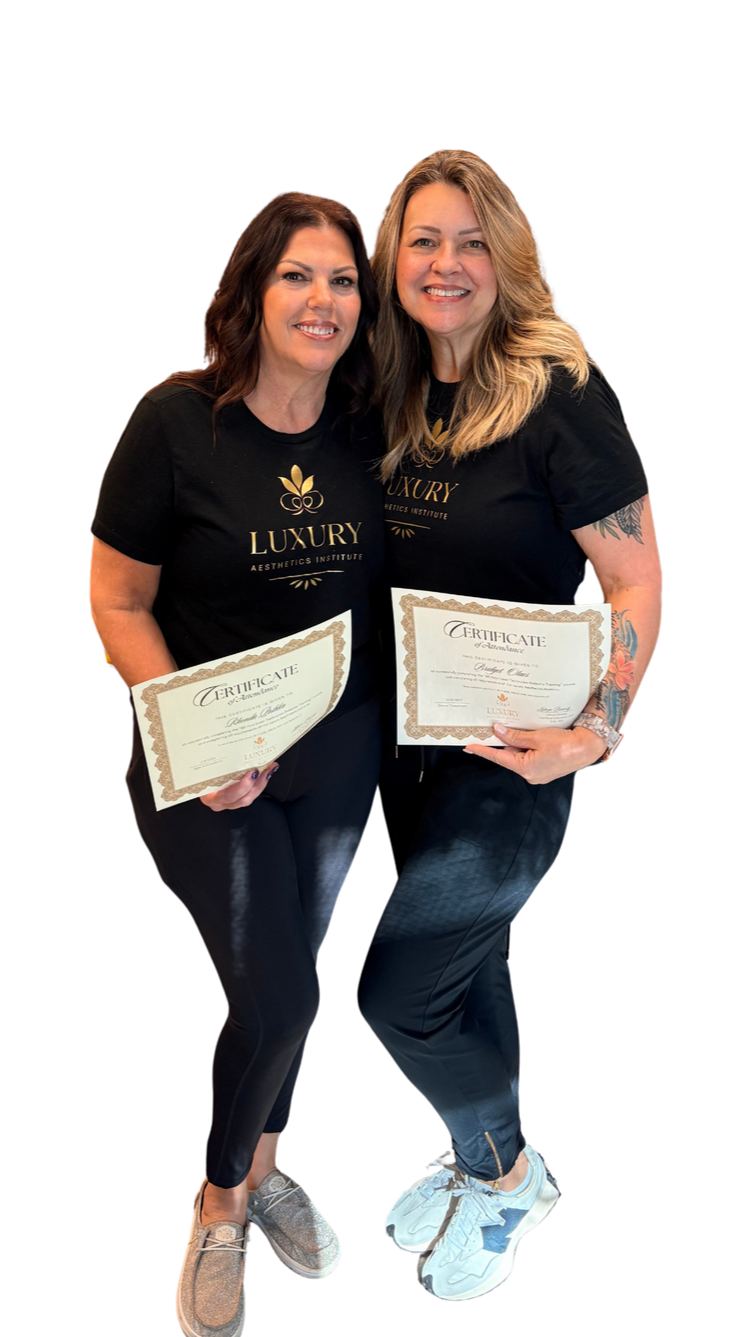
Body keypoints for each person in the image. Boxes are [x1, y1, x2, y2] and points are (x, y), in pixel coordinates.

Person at [354, 150, 663, 1303]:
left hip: (516, 755)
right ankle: (477, 1154)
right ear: (392, 258)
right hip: (403, 748)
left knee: (398, 998)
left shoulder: (559, 387)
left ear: (509, 256)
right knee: (463, 966)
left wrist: (595, 729)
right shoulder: (382, 382)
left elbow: (634, 580)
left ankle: (506, 1174)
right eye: (425, 240)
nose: (447, 264)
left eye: (473, 241)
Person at [89, 193, 388, 1337]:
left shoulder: (369, 421)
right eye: (296, 275)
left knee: (280, 983)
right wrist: (199, 736)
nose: (322, 300)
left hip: (335, 758)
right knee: (279, 998)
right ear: (251, 292)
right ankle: (220, 1202)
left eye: (342, 279)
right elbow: (117, 600)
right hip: (208, 764)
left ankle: (263, 1167)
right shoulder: (175, 422)